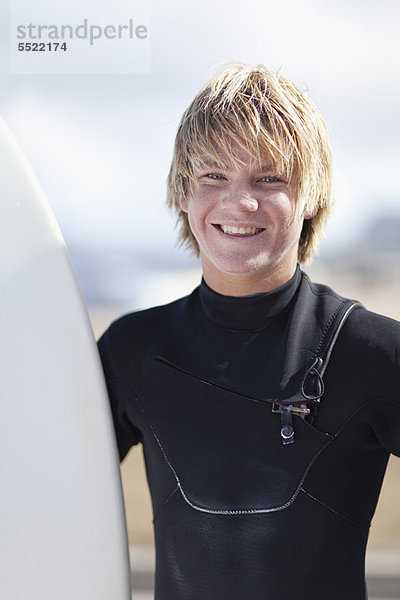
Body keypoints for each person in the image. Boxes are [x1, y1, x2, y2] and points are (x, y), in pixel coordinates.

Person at [98, 63, 400, 600]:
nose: (239, 203)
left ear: (311, 198)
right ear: (182, 194)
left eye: (270, 178)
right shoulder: (132, 350)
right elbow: (41, 483)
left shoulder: (370, 351)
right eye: (213, 175)